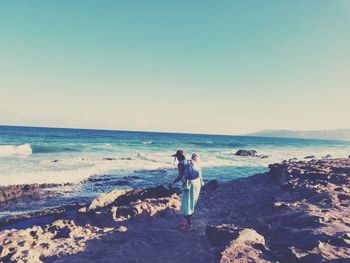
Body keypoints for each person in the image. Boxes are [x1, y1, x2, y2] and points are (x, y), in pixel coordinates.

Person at [170, 150, 203, 230]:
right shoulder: (190, 162)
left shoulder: (181, 164)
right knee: (191, 203)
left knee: (186, 203)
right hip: (197, 183)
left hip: (189, 185)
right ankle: (186, 221)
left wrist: (172, 182)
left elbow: (180, 176)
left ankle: (188, 225)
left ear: (177, 157)